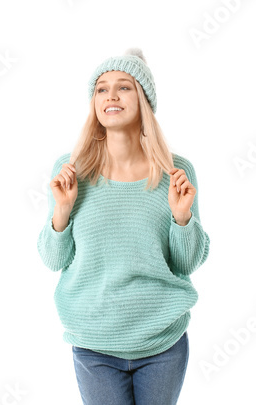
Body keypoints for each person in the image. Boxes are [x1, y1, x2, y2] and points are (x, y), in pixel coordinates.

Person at [37, 48, 210, 404]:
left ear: (144, 99)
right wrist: (63, 209)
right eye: (101, 88)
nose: (111, 96)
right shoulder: (70, 171)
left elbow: (187, 263)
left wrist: (182, 218)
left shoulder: (176, 173)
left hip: (162, 343)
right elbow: (53, 260)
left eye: (124, 87)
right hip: (94, 342)